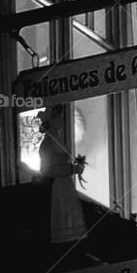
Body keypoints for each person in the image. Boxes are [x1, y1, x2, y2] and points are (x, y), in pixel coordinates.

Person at [37, 104, 86, 243]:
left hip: (63, 186)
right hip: (56, 188)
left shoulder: (55, 139)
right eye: (58, 117)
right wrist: (73, 169)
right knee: (60, 218)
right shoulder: (49, 143)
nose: (61, 120)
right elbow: (48, 169)